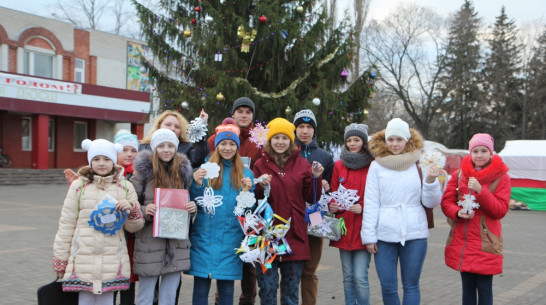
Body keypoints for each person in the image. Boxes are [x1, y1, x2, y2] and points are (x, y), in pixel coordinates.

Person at [52, 139, 144, 305]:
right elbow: (66, 225)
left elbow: (134, 227)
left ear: (114, 160)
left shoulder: (125, 187)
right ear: (90, 161)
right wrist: (60, 260)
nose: (102, 164)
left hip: (112, 260)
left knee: (107, 301)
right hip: (82, 259)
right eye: (96, 159)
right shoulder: (78, 187)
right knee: (84, 301)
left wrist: (131, 209)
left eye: (107, 159)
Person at [361, 118, 442, 305]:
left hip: (415, 232)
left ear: (407, 140)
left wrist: (430, 181)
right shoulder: (376, 165)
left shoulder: (420, 163)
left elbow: (431, 202)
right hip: (384, 234)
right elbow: (371, 202)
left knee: (411, 285)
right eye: (391, 139)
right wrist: (369, 236)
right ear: (385, 140)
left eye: (399, 139)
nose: (395, 144)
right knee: (388, 287)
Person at [252, 117, 324, 305]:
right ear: (270, 140)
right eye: (276, 138)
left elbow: (311, 197)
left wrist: (316, 178)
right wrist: (259, 185)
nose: (280, 142)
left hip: (294, 236)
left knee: (291, 293)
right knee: (267, 290)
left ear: (291, 141)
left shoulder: (302, 164)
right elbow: (255, 198)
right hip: (267, 237)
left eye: (285, 138)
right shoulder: (260, 164)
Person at [189, 124, 255, 305]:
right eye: (223, 144)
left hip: (231, 240)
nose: (227, 148)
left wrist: (247, 191)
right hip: (204, 238)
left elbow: (247, 212)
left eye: (232, 144)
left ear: (237, 147)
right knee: (200, 289)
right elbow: (194, 203)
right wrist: (196, 183)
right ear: (217, 146)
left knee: (226, 291)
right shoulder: (205, 169)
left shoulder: (246, 173)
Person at [130, 128, 198, 305]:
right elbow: (130, 203)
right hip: (149, 243)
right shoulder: (142, 174)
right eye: (161, 146)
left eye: (170, 145)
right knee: (145, 297)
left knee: (168, 298)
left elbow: (187, 203)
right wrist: (144, 210)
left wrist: (192, 208)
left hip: (176, 245)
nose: (166, 150)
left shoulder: (183, 174)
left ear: (176, 148)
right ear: (154, 148)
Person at [441, 133, 510, 305]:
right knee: (468, 288)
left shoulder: (501, 177)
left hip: (486, 242)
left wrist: (481, 190)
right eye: (475, 151)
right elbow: (447, 202)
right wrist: (457, 212)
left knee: (485, 289)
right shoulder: (459, 175)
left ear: (491, 153)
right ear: (470, 153)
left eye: (484, 151)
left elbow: (500, 210)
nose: (479, 155)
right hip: (463, 241)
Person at [207, 97, 261, 305]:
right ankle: (221, 299)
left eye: (248, 112)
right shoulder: (218, 136)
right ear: (234, 114)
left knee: (249, 260)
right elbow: (206, 158)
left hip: (250, 206)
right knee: (224, 255)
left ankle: (247, 299)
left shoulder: (259, 139)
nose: (244, 115)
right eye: (240, 111)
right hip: (223, 207)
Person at [292, 109, 334, 305]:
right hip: (292, 216)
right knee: (291, 269)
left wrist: (327, 185)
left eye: (309, 127)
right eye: (301, 126)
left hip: (316, 217)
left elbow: (333, 188)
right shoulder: (288, 152)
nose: (305, 131)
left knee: (309, 270)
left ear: (314, 130)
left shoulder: (324, 156)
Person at [328, 124, 373, 305]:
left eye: (356, 140)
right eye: (349, 140)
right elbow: (333, 193)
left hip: (364, 229)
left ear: (364, 141)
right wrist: (333, 207)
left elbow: (377, 196)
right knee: (347, 276)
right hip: (344, 228)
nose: (352, 144)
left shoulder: (372, 165)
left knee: (360, 277)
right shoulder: (339, 165)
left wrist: (362, 207)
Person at [112, 130, 139, 305]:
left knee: (128, 280)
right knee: (112, 279)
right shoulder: (109, 172)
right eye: (125, 149)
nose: (129, 154)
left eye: (133, 150)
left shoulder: (139, 173)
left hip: (132, 235)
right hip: (111, 235)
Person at [140, 109, 209, 168]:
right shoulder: (144, 147)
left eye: (177, 127)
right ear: (159, 126)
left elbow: (199, 159)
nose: (172, 129)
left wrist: (200, 127)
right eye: (168, 125)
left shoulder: (186, 147)